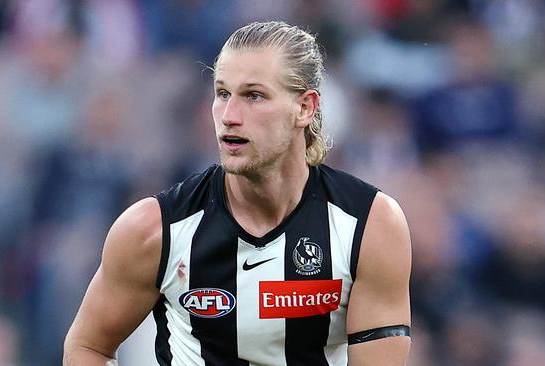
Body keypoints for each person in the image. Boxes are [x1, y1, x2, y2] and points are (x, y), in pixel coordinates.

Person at [64, 21, 411, 365]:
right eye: (222, 93)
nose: (229, 116)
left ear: (305, 107)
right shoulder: (152, 230)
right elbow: (88, 347)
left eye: (253, 96)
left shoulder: (370, 226)